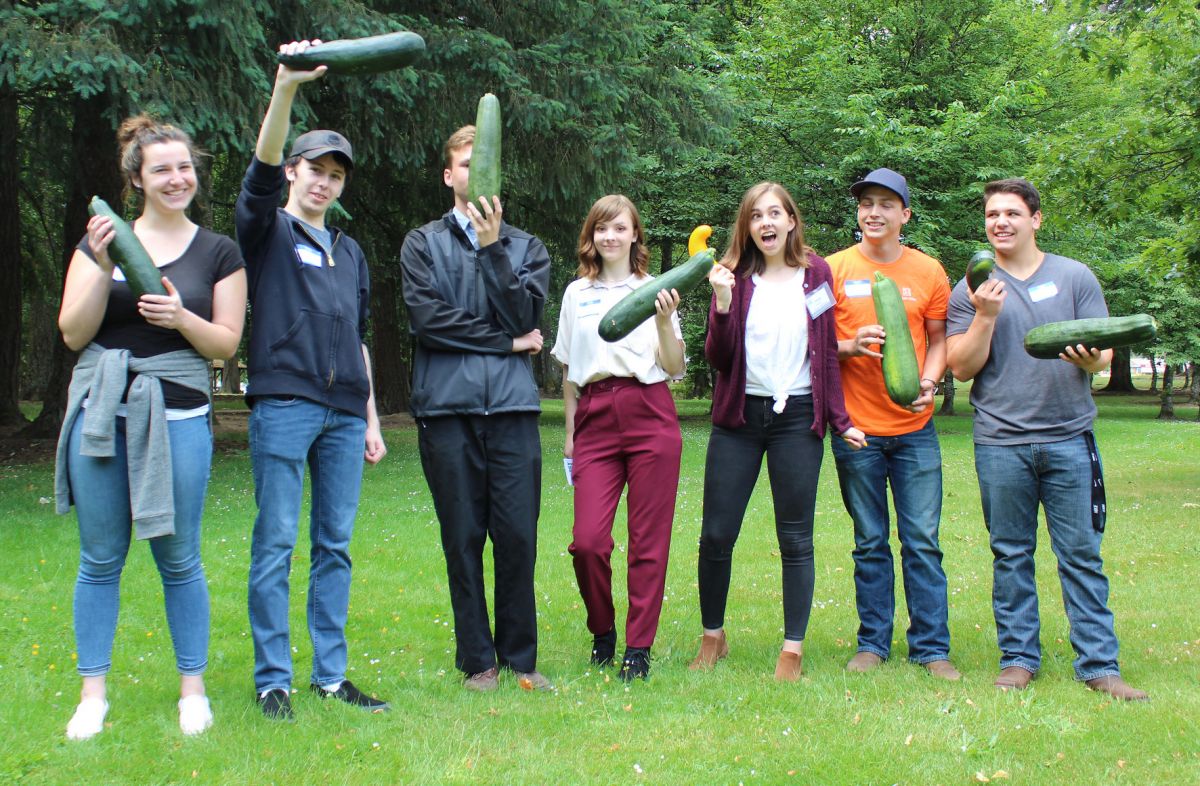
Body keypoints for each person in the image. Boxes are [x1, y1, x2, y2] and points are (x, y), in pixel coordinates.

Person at [55, 115, 247, 738]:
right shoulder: (101, 241)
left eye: (185, 166)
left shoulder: (219, 251)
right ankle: (92, 696)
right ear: (136, 178)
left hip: (180, 415)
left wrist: (179, 320)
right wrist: (103, 258)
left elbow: (223, 345)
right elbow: (73, 332)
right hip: (101, 413)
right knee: (100, 558)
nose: (177, 178)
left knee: (179, 557)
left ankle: (193, 691)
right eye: (161, 169)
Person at [945, 177, 1147, 700]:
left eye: (1012, 212)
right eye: (992, 214)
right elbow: (961, 368)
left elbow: (1104, 354)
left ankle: (1100, 665)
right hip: (1000, 441)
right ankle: (1017, 659)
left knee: (1081, 553)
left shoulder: (1073, 276)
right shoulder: (971, 287)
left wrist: (1092, 358)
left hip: (1069, 437)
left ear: (1035, 219)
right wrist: (985, 316)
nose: (1000, 223)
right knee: (1010, 553)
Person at [237, 41, 389, 720]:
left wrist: (373, 418)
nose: (324, 183)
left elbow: (357, 337)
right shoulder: (265, 229)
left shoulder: (350, 252)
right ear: (293, 173)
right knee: (276, 542)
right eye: (314, 171)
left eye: (335, 175)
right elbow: (260, 170)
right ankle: (274, 678)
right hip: (285, 404)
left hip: (344, 413)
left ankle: (329, 676)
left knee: (335, 547)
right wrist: (286, 89)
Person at [691, 182, 866, 681]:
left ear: (791, 221)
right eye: (755, 216)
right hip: (739, 420)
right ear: (746, 227)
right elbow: (718, 359)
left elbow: (827, 352)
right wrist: (722, 303)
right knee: (716, 535)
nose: (765, 223)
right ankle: (712, 636)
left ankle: (792, 648)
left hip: (798, 420)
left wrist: (840, 420)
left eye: (775, 214)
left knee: (795, 537)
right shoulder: (733, 277)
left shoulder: (817, 274)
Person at [400, 123, 551, 692]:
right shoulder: (422, 244)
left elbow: (524, 316)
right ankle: (478, 662)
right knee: (462, 537)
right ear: (450, 176)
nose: (472, 173)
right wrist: (507, 343)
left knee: (517, 536)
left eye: (480, 165)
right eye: (463, 165)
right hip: (447, 411)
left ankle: (520, 658)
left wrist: (491, 248)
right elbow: (428, 322)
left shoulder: (525, 247)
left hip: (511, 411)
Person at [826, 168, 959, 680]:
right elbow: (814, 345)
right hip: (857, 431)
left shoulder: (929, 272)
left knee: (922, 539)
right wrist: (850, 345)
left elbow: (939, 339)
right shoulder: (832, 269)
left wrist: (930, 378)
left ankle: (932, 648)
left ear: (905, 214)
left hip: (914, 430)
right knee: (869, 541)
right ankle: (872, 643)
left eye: (886, 204)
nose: (873, 213)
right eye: (866, 204)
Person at [550, 195, 684, 681]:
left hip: (650, 410)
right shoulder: (574, 294)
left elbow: (674, 367)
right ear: (592, 236)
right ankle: (602, 629)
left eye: (620, 228)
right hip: (595, 416)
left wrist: (666, 320)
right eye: (601, 229)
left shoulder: (657, 290)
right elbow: (568, 371)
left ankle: (638, 647)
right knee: (588, 542)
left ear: (634, 235)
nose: (610, 237)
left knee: (648, 539)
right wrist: (570, 433)